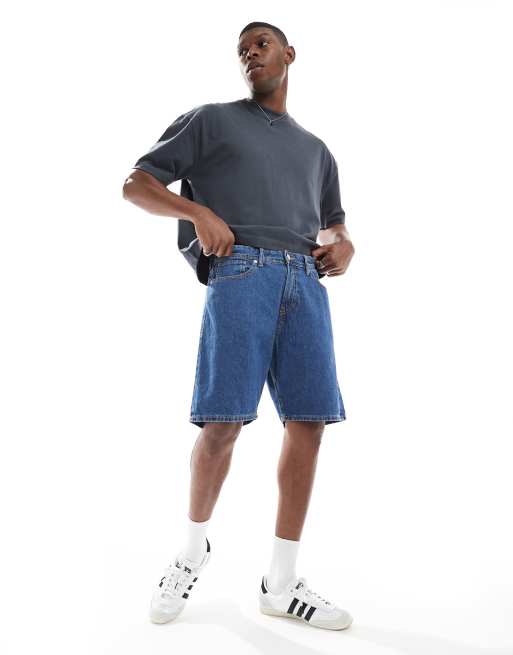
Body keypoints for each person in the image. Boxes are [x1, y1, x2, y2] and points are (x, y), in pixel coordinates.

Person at [122, 21, 355, 631]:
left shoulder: (317, 150)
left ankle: (281, 582)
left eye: (262, 43)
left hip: (305, 281)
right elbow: (136, 184)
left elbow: (333, 222)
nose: (251, 53)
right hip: (241, 273)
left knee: (309, 423)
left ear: (289, 54)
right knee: (222, 422)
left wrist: (344, 243)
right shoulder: (212, 121)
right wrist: (197, 211)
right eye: (243, 49)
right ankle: (190, 551)